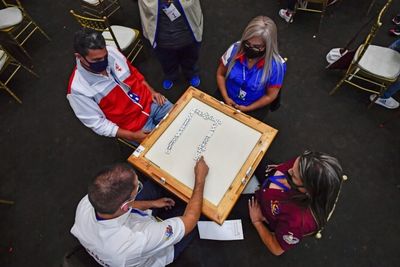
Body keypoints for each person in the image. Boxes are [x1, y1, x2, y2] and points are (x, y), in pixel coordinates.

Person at [71, 157, 209, 266]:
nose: (139, 186)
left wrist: (152, 204)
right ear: (125, 205)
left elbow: (122, 207)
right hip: (152, 254)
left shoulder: (89, 201)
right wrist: (200, 178)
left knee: (155, 183)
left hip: (120, 236)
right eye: (138, 186)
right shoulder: (137, 240)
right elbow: (190, 219)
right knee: (203, 214)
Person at [67, 29, 172, 144]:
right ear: (79, 56)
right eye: (96, 60)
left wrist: (152, 91)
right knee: (165, 150)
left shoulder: (112, 51)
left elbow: (134, 73)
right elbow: (98, 124)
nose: (104, 61)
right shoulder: (77, 90)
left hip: (152, 102)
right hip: (134, 127)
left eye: (105, 56)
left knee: (185, 120)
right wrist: (132, 136)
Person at [248, 150, 343, 255]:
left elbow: (276, 248)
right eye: (293, 166)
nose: (288, 171)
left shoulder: (297, 223)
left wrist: (257, 223)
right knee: (251, 153)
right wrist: (280, 169)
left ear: (309, 190)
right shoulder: (307, 164)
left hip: (263, 211)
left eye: (293, 175)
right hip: (268, 189)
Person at [216, 16, 286, 113]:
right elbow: (220, 74)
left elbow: (270, 95)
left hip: (253, 108)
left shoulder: (277, 67)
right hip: (227, 97)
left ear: (268, 46)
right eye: (247, 43)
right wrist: (226, 97)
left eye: (257, 47)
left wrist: (248, 109)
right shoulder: (234, 49)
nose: (250, 48)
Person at [138, 0, 203, 90]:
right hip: (162, 35)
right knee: (166, 59)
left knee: (190, 55)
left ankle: (191, 73)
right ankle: (171, 75)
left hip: (186, 31)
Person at [369, 38, 400, 109]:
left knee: (393, 50)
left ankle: (380, 65)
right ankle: (383, 97)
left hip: (389, 54)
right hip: (393, 63)